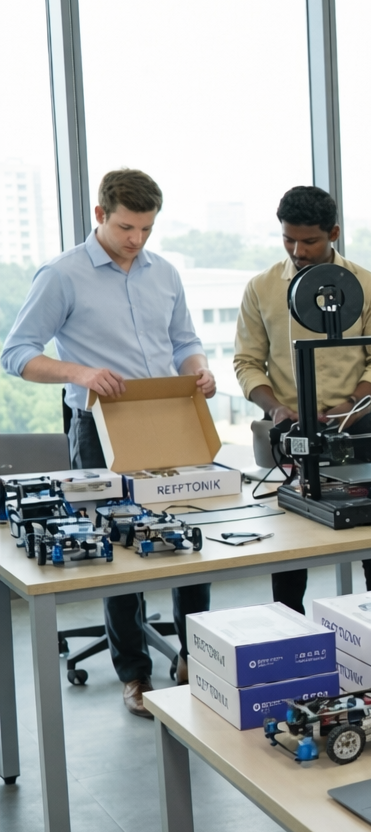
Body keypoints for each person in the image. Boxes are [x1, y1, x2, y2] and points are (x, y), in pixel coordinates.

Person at [1, 169, 215, 717]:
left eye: (146, 228)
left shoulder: (164, 273)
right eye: (125, 226)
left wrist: (199, 370)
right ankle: (135, 676)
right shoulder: (62, 275)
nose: (136, 239)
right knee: (118, 551)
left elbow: (185, 340)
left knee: (189, 541)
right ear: (100, 215)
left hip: (169, 420)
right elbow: (18, 353)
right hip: (99, 428)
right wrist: (82, 371)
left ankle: (197, 659)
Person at [233, 185, 371, 613]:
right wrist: (276, 410)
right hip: (291, 431)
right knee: (289, 552)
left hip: (356, 427)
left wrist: (354, 404)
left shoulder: (367, 286)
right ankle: (295, 647)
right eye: (288, 239)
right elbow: (247, 362)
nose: (298, 250)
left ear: (334, 233)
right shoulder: (261, 288)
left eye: (309, 240)